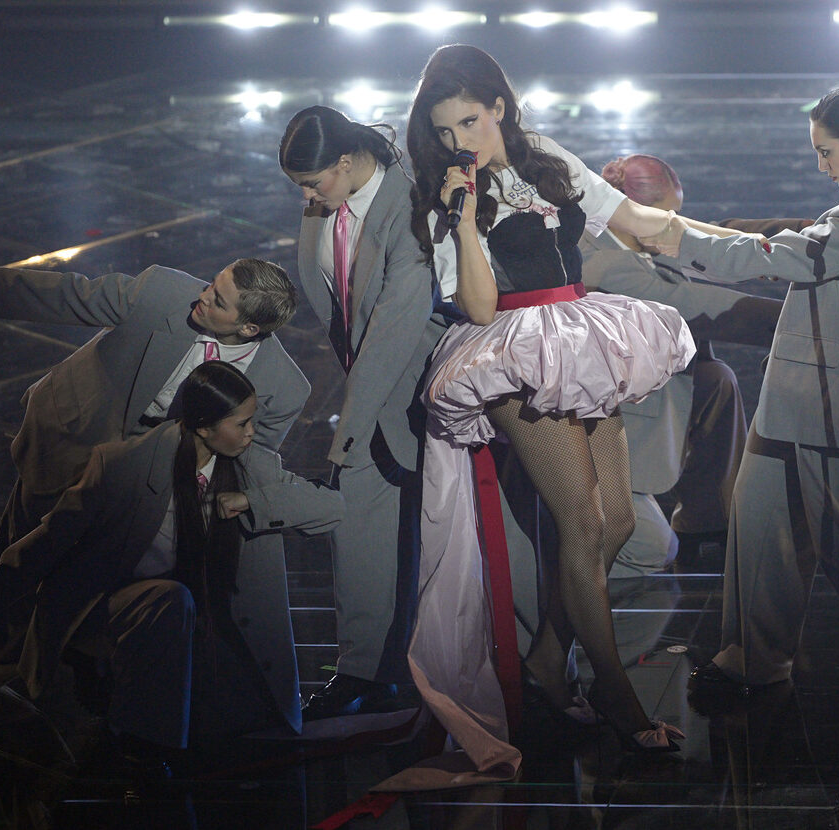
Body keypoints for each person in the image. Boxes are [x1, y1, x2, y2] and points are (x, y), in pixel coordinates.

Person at [401, 44, 696, 780]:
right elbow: (476, 305)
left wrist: (750, 244)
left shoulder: (545, 156)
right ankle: (620, 702)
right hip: (513, 351)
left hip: (580, 336)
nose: (459, 142)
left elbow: (632, 216)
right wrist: (464, 218)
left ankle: (545, 659)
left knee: (618, 522)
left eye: (469, 122)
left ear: (499, 107)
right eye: (444, 131)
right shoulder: (448, 199)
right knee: (585, 525)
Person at [645, 84, 839, 714]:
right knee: (760, 520)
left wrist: (675, 236)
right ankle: (753, 659)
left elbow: (771, 257)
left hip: (836, 396)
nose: (821, 166)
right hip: (805, 382)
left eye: (826, 152)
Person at [0, 258, 310, 712]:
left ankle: (92, 656)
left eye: (218, 301)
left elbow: (242, 460)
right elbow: (67, 294)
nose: (201, 297)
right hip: (78, 435)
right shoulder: (160, 292)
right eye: (211, 284)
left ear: (249, 329)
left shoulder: (283, 388)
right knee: (23, 545)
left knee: (117, 569)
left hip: (153, 470)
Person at [0, 361, 344, 769]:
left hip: (204, 615)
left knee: (231, 718)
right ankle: (147, 749)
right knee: (171, 602)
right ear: (203, 427)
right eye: (241, 423)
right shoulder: (124, 465)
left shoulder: (251, 465)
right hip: (120, 603)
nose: (251, 432)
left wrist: (253, 502)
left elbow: (331, 507)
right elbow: (48, 541)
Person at [279, 105, 450, 719]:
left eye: (312, 182)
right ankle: (366, 670)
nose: (305, 197)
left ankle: (528, 674)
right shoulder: (327, 200)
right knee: (362, 526)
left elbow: (396, 326)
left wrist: (348, 428)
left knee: (458, 540)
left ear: (348, 162)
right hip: (371, 385)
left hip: (428, 390)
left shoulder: (411, 208)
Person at [584, 153, 789, 573]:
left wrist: (802, 237)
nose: (674, 224)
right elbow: (687, 302)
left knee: (715, 380)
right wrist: (795, 321)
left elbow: (710, 232)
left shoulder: (633, 237)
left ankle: (707, 522)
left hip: (638, 383)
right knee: (654, 550)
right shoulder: (603, 260)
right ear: (633, 212)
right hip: (601, 416)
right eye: (667, 217)